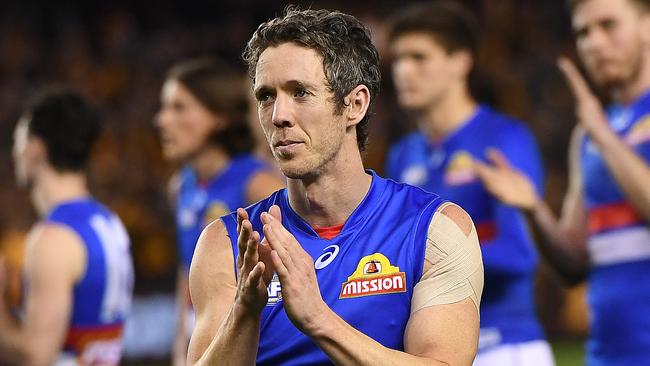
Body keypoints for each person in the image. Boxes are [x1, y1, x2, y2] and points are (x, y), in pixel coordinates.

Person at [187, 8, 484, 365]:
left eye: (300, 93)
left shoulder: (434, 230)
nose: (279, 115)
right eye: (266, 96)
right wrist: (246, 310)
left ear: (354, 105)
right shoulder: (225, 244)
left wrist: (318, 319)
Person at [472, 0, 650, 364]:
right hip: (608, 353)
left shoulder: (597, 133)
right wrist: (533, 208)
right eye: (583, 32)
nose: (594, 43)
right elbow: (572, 266)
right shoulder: (588, 137)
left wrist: (602, 132)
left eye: (608, 25)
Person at [384, 2, 552, 365]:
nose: (403, 71)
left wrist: (420, 262)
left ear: (460, 62)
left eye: (418, 57)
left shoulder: (503, 139)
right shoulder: (402, 155)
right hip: (434, 350)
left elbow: (520, 255)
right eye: (398, 59)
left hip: (505, 344)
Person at [154, 58, 284, 365]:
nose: (162, 120)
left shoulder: (259, 184)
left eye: (179, 107)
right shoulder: (181, 187)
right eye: (164, 107)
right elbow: (186, 276)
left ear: (219, 117)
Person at [0, 87, 134, 365]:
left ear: (35, 148)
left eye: (17, 140)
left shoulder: (53, 237)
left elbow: (36, 357)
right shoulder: (109, 221)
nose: (14, 152)